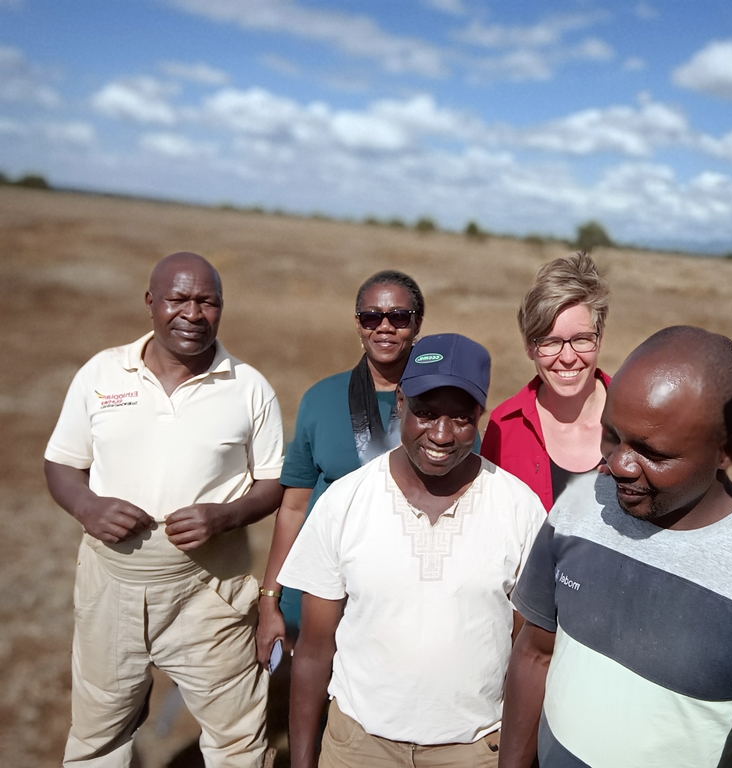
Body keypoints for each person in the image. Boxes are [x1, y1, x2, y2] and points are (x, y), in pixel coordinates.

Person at [500, 326, 732, 768]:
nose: (619, 464)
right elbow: (535, 653)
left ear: (726, 451)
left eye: (653, 452)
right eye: (612, 435)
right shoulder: (577, 506)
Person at [43, 252, 284, 767]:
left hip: (209, 592)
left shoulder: (248, 387)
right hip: (111, 589)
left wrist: (225, 517)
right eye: (178, 299)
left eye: (207, 302)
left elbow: (272, 484)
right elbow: (60, 465)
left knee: (238, 741)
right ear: (151, 302)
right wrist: (88, 505)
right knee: (98, 737)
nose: (192, 314)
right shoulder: (102, 372)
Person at [277, 333, 546, 768]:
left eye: (461, 418)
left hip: (474, 750)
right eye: (424, 413)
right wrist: (303, 761)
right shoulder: (345, 501)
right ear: (399, 401)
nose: (441, 434)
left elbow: (528, 652)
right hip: (358, 747)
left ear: (479, 414)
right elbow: (312, 650)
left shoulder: (518, 507)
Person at [256, 270, 425, 665]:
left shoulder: (442, 410)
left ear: (416, 323)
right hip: (320, 591)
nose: (384, 327)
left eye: (399, 316)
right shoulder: (320, 399)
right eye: (371, 317)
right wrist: (270, 600)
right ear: (358, 324)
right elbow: (294, 508)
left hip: (402, 596)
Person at [481, 252, 611, 511]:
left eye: (582, 339)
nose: (568, 357)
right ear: (529, 347)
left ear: (600, 338)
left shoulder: (639, 418)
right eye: (550, 342)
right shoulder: (503, 426)